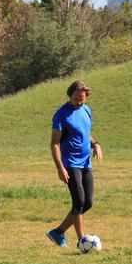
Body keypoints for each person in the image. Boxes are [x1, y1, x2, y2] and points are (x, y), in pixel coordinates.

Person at [46, 80, 103, 249]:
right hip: (70, 163)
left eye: (82, 98)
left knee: (88, 203)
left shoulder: (86, 110)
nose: (79, 101)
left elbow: (86, 133)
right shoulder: (61, 115)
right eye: (76, 98)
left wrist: (95, 144)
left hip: (86, 163)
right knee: (78, 201)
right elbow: (54, 143)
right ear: (70, 95)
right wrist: (60, 168)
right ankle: (82, 241)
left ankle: (58, 232)